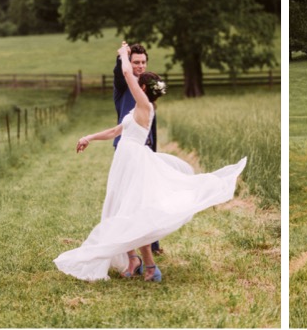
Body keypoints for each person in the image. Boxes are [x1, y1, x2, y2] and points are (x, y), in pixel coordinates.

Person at [54, 43, 246, 282]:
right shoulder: (137, 108)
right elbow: (116, 130)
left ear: (143, 87)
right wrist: (89, 137)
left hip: (134, 161)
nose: (136, 76)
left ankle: (150, 266)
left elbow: (126, 73)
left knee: (135, 212)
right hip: (124, 161)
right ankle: (137, 261)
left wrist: (123, 54)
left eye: (139, 78)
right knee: (123, 209)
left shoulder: (145, 105)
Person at [113, 43, 163, 256]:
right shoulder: (124, 85)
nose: (140, 66)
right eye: (136, 62)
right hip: (127, 149)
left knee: (148, 196)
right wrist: (122, 55)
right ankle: (129, 247)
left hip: (146, 148)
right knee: (128, 198)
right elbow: (120, 71)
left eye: (143, 62)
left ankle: (151, 243)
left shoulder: (146, 87)